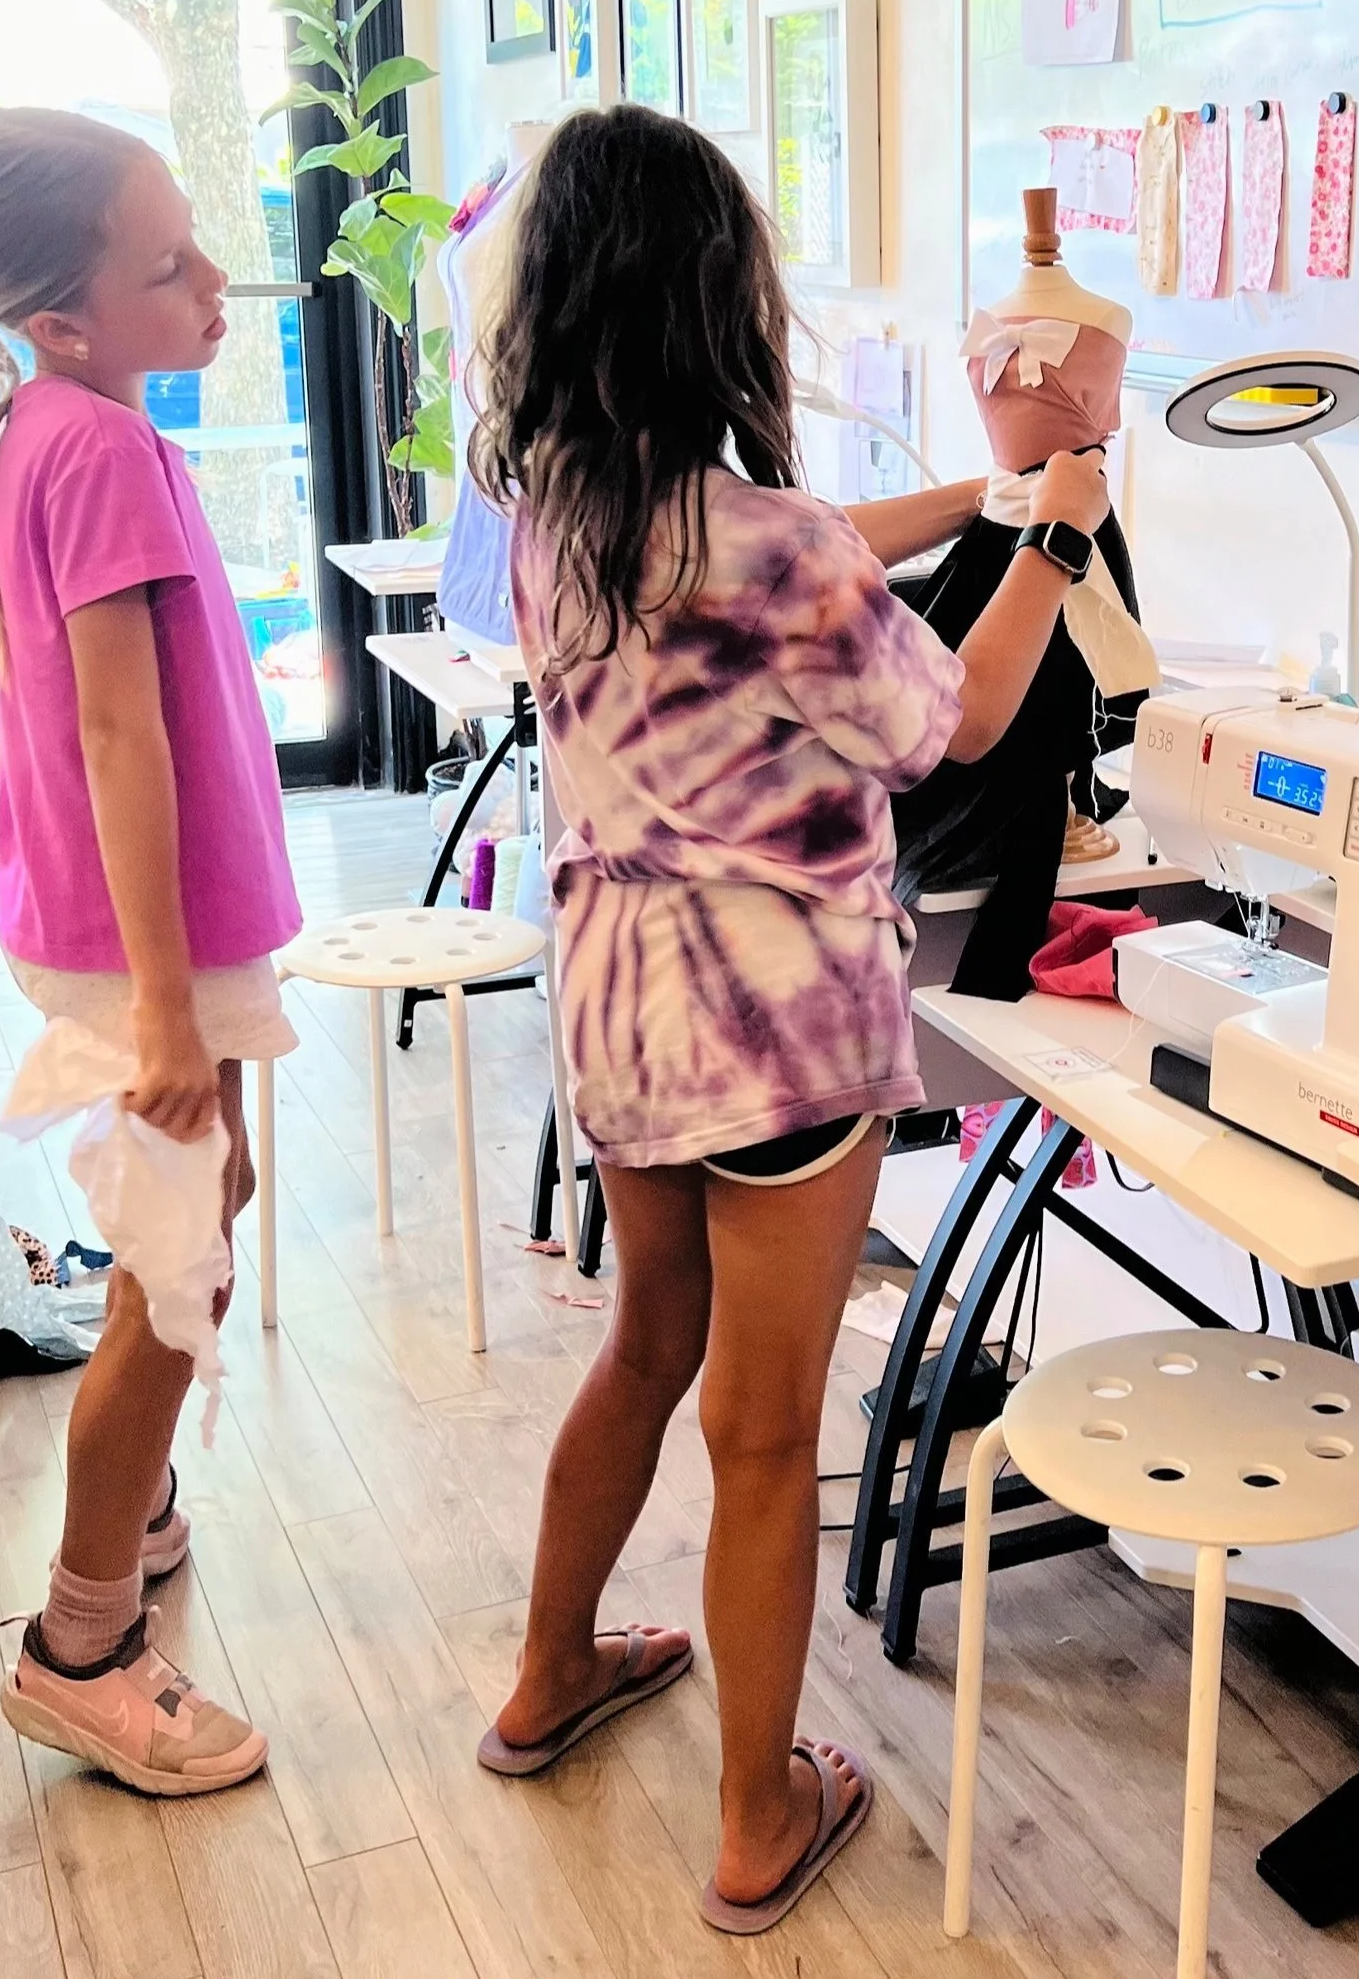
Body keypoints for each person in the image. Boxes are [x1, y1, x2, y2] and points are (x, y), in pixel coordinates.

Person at [469, 105, 1113, 1933]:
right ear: (719, 300)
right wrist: (1053, 540)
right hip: (772, 1034)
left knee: (644, 1348)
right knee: (767, 1435)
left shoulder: (562, 517)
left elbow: (799, 542)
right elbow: (962, 725)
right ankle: (760, 1814)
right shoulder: (771, 551)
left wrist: (982, 502)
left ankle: (548, 1677)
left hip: (616, 1012)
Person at [0, 105, 294, 1796]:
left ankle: (132, 1508)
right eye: (168, 268)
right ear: (63, 319)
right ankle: (80, 1644)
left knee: (201, 1213)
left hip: (122, 928)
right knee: (171, 1269)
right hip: (153, 943)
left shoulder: (41, 425)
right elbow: (125, 741)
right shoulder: (102, 450)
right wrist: (161, 1008)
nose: (216, 281)